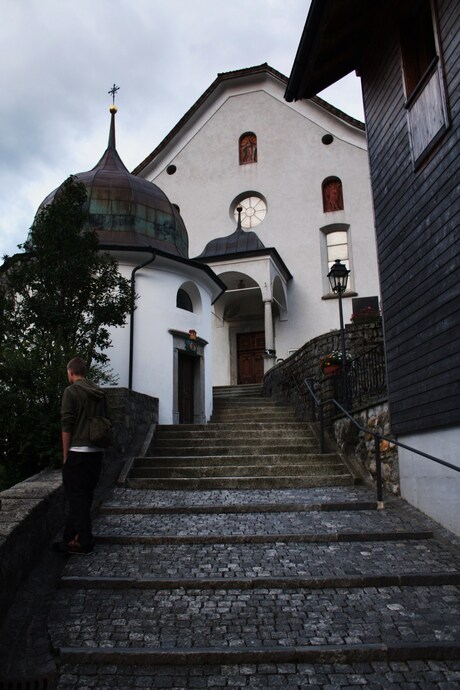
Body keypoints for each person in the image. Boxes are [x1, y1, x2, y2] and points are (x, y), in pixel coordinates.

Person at [55, 356, 108, 555]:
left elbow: (67, 424)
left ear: (71, 372)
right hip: (97, 451)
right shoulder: (99, 392)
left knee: (76, 497)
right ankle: (70, 538)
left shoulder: (71, 391)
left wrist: (65, 454)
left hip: (78, 451)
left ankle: (85, 541)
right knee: (84, 496)